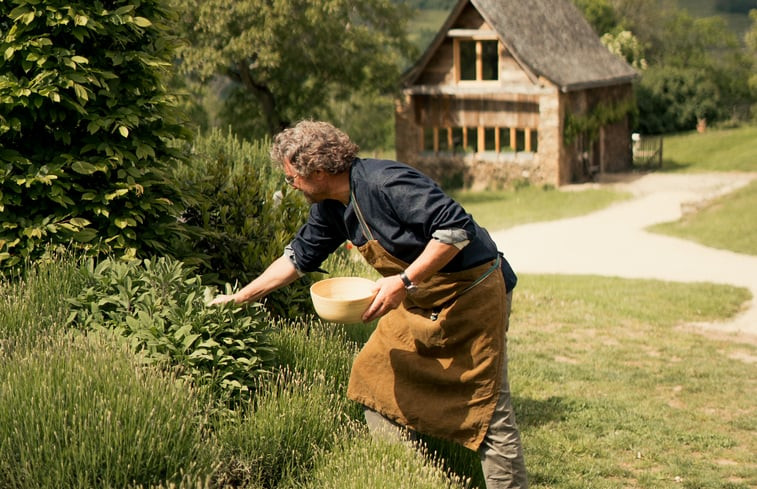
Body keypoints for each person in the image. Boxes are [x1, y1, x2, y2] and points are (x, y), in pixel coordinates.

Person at [210, 120, 528, 488]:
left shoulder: (386, 182)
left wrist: (405, 281)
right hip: (420, 297)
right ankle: (423, 479)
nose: (291, 185)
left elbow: (456, 229)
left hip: (473, 294)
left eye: (291, 177)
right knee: (372, 381)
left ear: (319, 169)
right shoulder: (331, 207)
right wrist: (240, 298)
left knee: (488, 410)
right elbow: (297, 258)